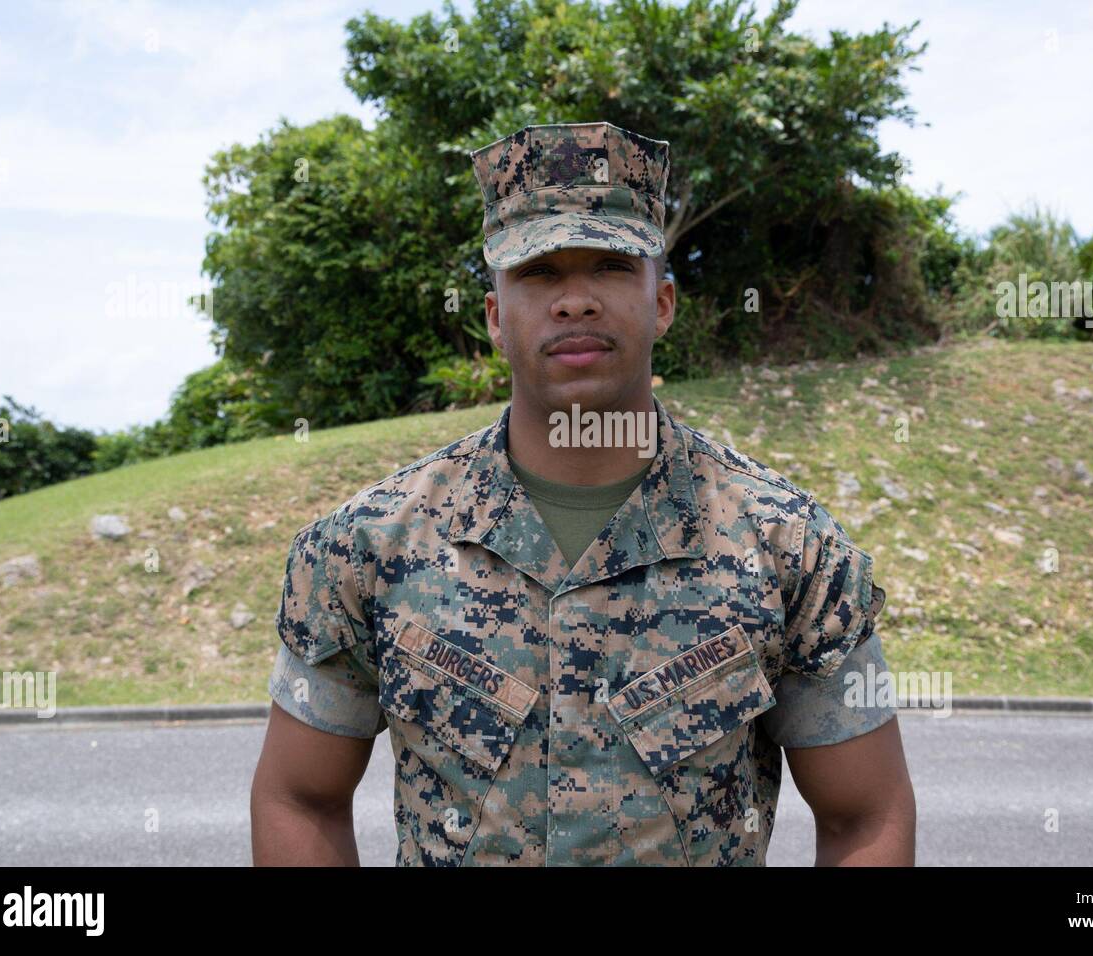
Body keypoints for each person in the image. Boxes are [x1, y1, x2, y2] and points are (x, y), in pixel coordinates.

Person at [250, 121, 915, 866]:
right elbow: (297, 798)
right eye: (538, 272)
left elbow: (867, 815)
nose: (574, 301)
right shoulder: (368, 545)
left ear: (661, 302)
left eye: (608, 266)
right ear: (497, 318)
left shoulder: (787, 545)